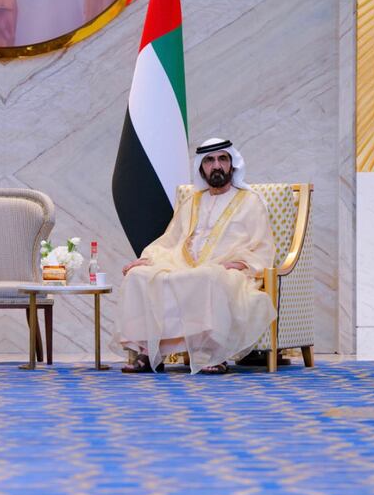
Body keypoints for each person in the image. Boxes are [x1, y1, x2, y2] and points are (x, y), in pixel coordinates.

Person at [115, 138, 276, 374]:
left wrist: (240, 263)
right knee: (138, 275)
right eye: (209, 160)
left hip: (227, 271)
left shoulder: (250, 202)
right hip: (183, 264)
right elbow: (170, 239)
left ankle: (212, 354)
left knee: (207, 276)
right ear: (201, 168)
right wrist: (149, 258)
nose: (216, 165)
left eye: (223, 159)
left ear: (232, 164)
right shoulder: (192, 202)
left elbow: (263, 246)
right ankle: (149, 352)